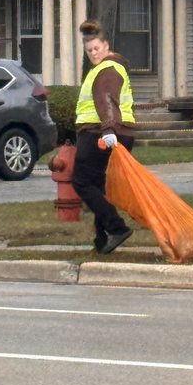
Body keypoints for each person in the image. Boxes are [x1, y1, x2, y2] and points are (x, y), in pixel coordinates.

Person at [71, 19, 136, 254]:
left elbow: (106, 101)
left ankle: (116, 228)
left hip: (99, 133)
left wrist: (108, 130)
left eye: (96, 48)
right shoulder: (113, 67)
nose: (93, 53)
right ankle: (101, 237)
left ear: (106, 46)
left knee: (82, 181)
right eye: (89, 51)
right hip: (116, 132)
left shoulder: (106, 70)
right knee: (98, 184)